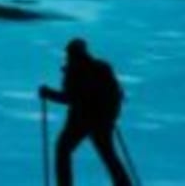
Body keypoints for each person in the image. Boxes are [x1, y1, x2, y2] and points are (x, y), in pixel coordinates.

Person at [38, 38, 132, 186]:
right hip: (102, 120)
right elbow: (116, 94)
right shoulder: (102, 68)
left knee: (63, 149)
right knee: (108, 154)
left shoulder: (75, 72)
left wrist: (48, 93)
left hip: (82, 120)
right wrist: (111, 117)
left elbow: (69, 98)